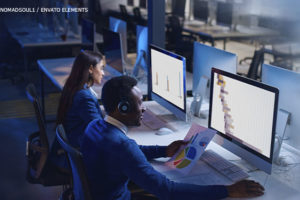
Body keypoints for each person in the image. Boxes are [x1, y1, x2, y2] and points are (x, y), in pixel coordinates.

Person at [81, 76, 265, 200]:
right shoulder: (122, 146)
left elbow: (130, 152)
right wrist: (228, 190)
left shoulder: (95, 126)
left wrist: (164, 150)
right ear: (123, 108)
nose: (144, 108)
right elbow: (166, 190)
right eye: (139, 103)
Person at [56, 50, 105, 147]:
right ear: (91, 69)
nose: (103, 73)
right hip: (81, 144)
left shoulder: (75, 86)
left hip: (73, 137)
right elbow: (99, 128)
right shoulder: (84, 96)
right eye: (101, 68)